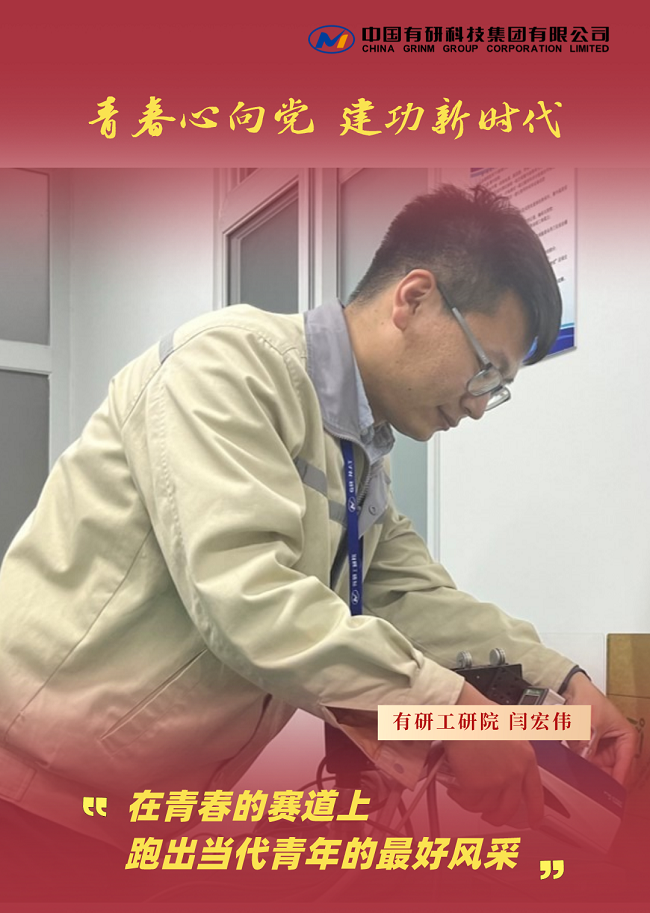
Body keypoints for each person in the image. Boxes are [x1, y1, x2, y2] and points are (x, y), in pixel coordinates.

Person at [0, 184, 635, 853]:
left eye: (496, 389)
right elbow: (250, 598)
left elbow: (411, 596)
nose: (479, 405)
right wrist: (449, 713)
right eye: (485, 371)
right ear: (415, 298)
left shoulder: (360, 453)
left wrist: (563, 682)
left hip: (143, 813)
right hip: (29, 792)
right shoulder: (227, 367)